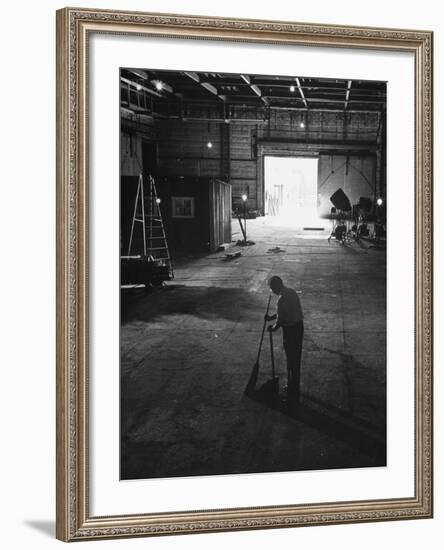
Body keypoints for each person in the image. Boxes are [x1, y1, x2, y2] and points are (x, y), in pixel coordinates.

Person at [265, 276, 304, 410]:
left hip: (290, 331)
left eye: (272, 288)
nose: (272, 291)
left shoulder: (281, 301)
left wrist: (272, 328)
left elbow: (280, 321)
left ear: (276, 287)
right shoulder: (292, 292)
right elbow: (285, 312)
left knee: (290, 359)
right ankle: (295, 386)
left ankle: (293, 390)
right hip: (299, 328)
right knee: (296, 358)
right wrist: (271, 317)